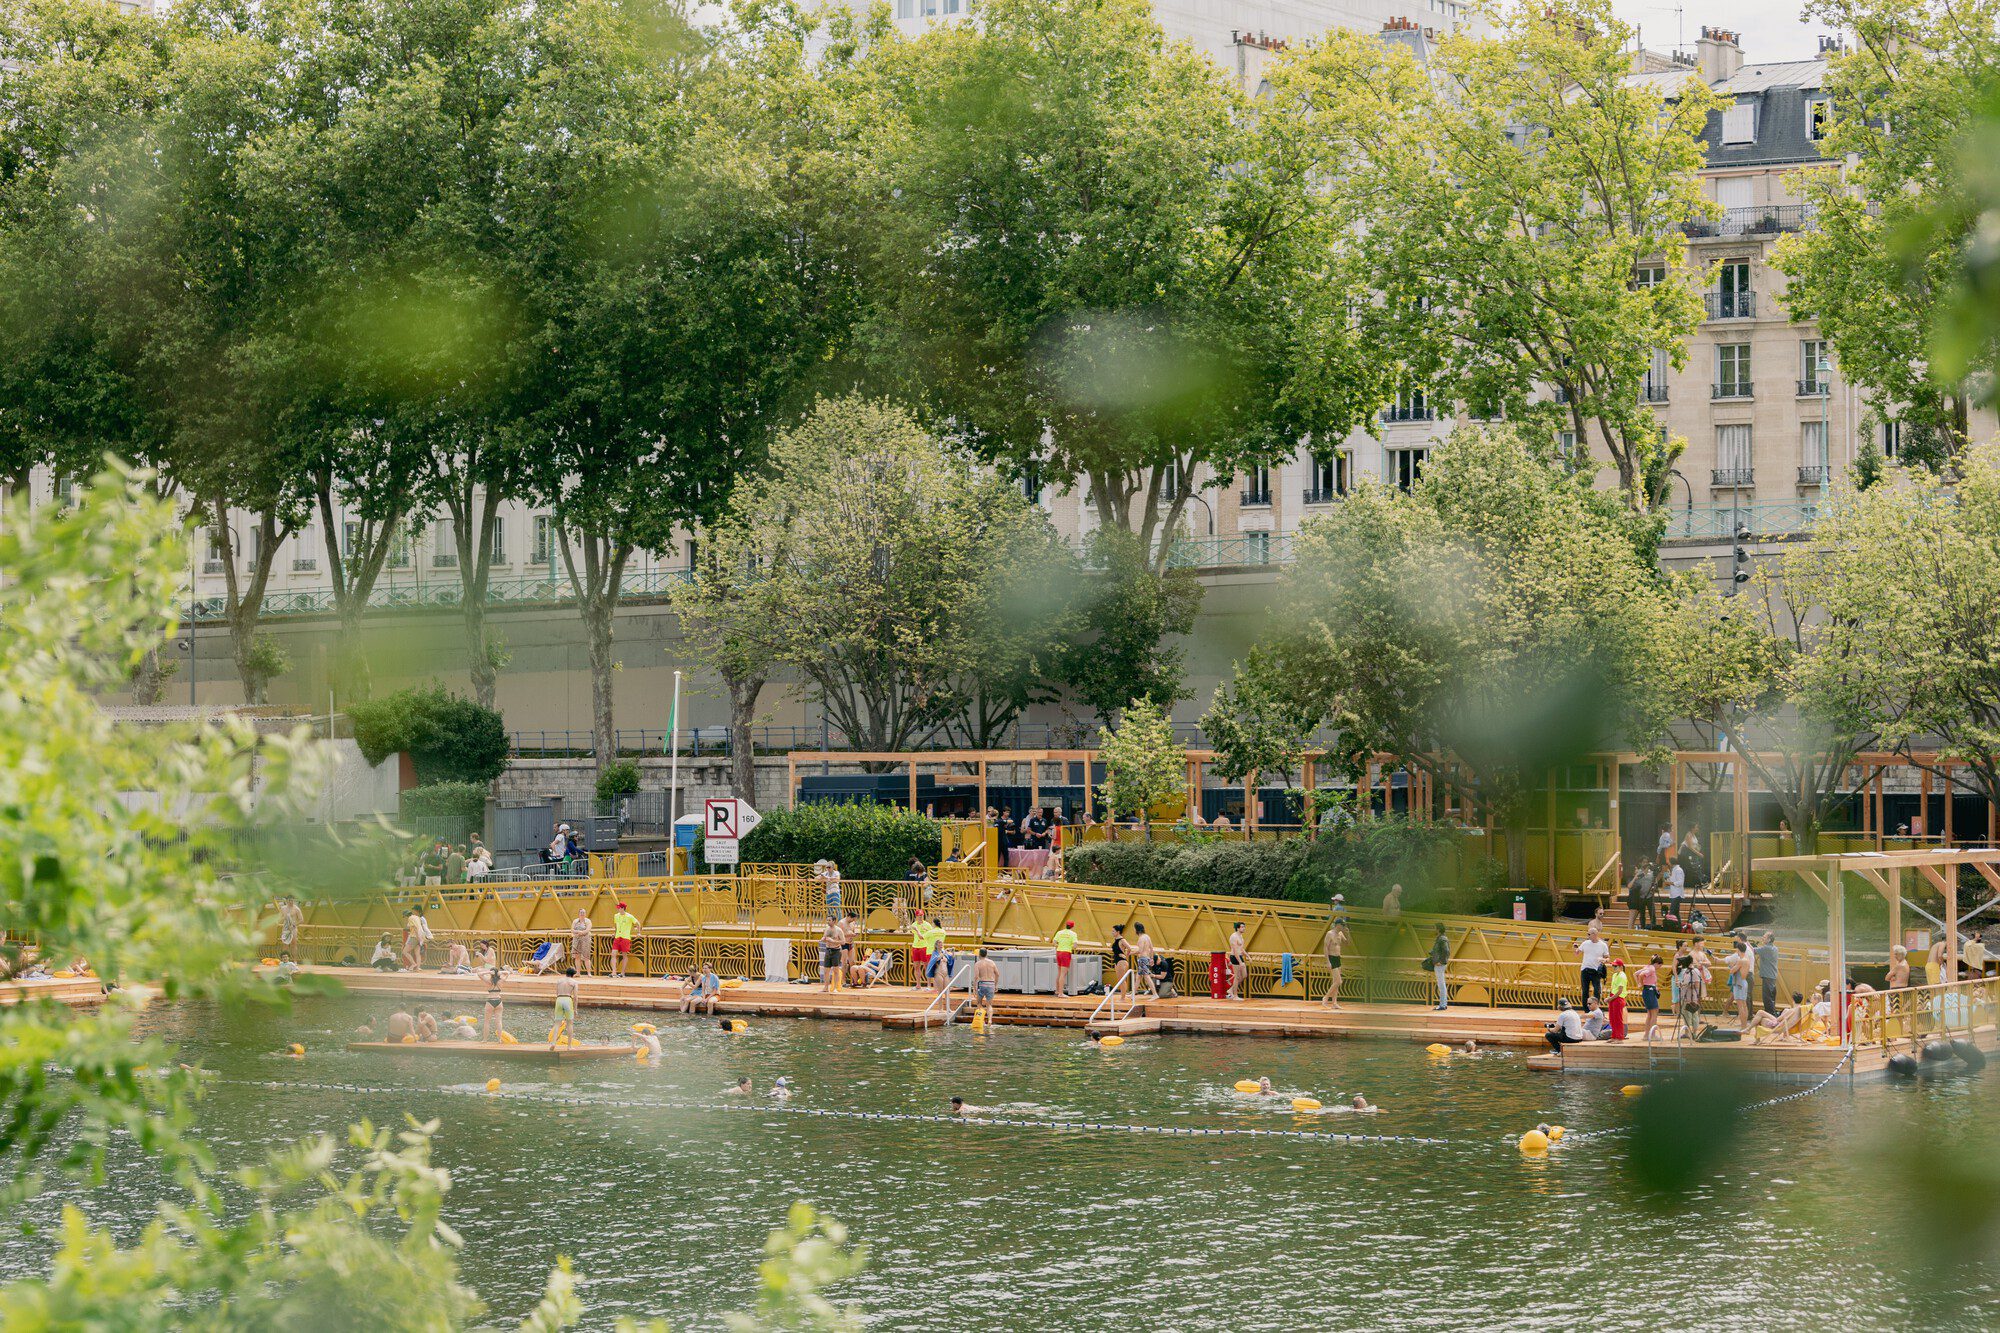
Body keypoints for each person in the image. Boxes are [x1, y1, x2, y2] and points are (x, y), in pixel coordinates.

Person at [1574, 923, 1610, 1005]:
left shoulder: (1602, 945)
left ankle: (1595, 1007)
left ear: (1595, 934)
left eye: (1589, 934)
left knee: (1597, 990)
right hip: (1585, 969)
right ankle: (1586, 1009)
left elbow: (1608, 958)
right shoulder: (1585, 943)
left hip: (1596, 970)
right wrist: (1575, 948)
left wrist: (1604, 960)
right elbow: (1577, 953)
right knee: (1585, 990)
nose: (1588, 935)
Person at [1321, 915, 1350, 1010]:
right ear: (1337, 925)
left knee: (1335, 982)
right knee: (1338, 981)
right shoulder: (1330, 934)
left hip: (1338, 958)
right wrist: (1328, 962)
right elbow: (1325, 947)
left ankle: (1334, 1003)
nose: (1343, 926)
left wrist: (1348, 934)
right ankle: (1325, 998)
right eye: (1342, 925)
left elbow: (1347, 944)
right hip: (1331, 958)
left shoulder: (1340, 934)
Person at [1726, 938, 1754, 1027]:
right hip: (1744, 982)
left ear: (1738, 950)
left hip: (1739, 983)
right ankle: (1744, 1025)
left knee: (1741, 1006)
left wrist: (1731, 966)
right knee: (1744, 1005)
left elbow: (1732, 971)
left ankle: (1743, 1026)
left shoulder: (1741, 960)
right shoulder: (1746, 959)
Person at [1625, 857, 1656, 931]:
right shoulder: (1632, 877)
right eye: (1635, 869)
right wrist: (1635, 877)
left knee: (1634, 919)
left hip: (1638, 899)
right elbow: (1629, 886)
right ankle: (1629, 934)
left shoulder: (1639, 875)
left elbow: (1644, 874)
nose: (1637, 870)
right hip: (1634, 900)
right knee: (1632, 919)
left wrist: (1650, 867)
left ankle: (1631, 933)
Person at [1754, 931, 1781, 1015]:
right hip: (1772, 976)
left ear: (1769, 939)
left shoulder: (1766, 948)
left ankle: (1770, 1017)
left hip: (1767, 977)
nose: (1762, 938)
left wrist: (1746, 942)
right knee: (1771, 998)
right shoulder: (1775, 948)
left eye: (1764, 937)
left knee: (1767, 999)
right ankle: (1772, 1015)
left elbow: (1753, 951)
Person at [1637, 954, 1662, 1042]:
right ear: (1657, 964)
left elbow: (1636, 973)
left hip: (1648, 990)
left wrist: (1640, 984)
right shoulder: (1651, 969)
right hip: (1650, 990)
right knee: (1654, 1012)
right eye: (1660, 965)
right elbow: (1641, 975)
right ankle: (1652, 1035)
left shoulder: (1647, 967)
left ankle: (1646, 1035)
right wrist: (1640, 984)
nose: (1659, 967)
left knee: (1650, 1014)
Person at [611, 901, 638, 979]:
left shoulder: (629, 916)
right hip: (617, 937)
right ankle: (614, 972)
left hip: (625, 937)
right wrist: (614, 932)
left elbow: (638, 923)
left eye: (619, 908)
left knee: (624, 955)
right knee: (613, 954)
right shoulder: (616, 916)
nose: (618, 909)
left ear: (623, 908)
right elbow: (616, 926)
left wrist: (638, 932)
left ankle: (622, 973)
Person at [1427, 924, 1451, 1010]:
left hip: (1440, 965)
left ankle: (1443, 1005)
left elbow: (1446, 951)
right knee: (1441, 984)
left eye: (1435, 928)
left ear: (1438, 929)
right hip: (1439, 964)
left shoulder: (1442, 939)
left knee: (1441, 984)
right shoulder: (1441, 938)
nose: (1434, 930)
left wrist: (1441, 961)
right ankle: (1443, 1004)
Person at [1052, 920, 1079, 998]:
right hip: (1066, 953)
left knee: (1059, 972)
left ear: (1066, 925)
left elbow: (1054, 942)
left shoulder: (1059, 932)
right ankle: (1061, 993)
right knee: (1063, 974)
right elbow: (1075, 946)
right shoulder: (1073, 934)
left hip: (1059, 952)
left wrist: (1060, 945)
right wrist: (1068, 947)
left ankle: (1057, 990)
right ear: (1073, 926)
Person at [553, 968, 579, 1046]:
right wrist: (575, 1009)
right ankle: (569, 1046)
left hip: (559, 999)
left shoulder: (559, 981)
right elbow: (575, 997)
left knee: (557, 1023)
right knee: (570, 1024)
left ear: (566, 973)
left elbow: (557, 993)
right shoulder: (574, 982)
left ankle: (553, 1043)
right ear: (573, 975)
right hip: (567, 999)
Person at [972, 949, 999, 1023]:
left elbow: (976, 977)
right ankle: (990, 1020)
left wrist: (974, 988)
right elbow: (997, 974)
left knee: (979, 1003)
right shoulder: (992, 962)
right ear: (986, 954)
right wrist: (995, 985)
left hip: (982, 984)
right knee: (989, 1005)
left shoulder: (977, 964)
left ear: (979, 954)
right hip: (991, 984)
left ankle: (982, 1020)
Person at [1133, 923, 1159, 998]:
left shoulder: (1141, 938)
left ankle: (1155, 994)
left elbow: (1140, 950)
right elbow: (1151, 948)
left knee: (1146, 976)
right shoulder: (1147, 936)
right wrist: (1151, 958)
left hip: (1142, 959)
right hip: (1146, 958)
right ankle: (1133, 994)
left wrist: (1131, 952)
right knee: (1138, 977)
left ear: (1137, 929)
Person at [818, 918, 845, 993]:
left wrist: (833, 941)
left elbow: (843, 942)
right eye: (827, 920)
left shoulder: (838, 930)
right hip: (828, 950)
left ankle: (836, 987)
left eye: (829, 920)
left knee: (836, 970)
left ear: (834, 921)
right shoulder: (826, 929)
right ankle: (826, 987)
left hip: (836, 950)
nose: (828, 922)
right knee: (826, 970)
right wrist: (823, 939)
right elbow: (824, 937)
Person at [1606, 959, 1630, 1041]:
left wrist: (1610, 998)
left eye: (1615, 966)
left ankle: (1619, 1037)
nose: (1614, 967)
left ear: (1620, 967)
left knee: (1618, 1019)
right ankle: (1614, 1036)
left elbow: (1620, 991)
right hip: (1613, 997)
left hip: (1618, 998)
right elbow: (1614, 988)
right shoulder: (1615, 975)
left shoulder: (1622, 976)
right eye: (1613, 966)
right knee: (1612, 1018)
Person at [1661, 856, 1687, 927]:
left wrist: (1670, 883)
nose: (1668, 863)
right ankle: (1679, 926)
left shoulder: (1678, 870)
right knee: (1676, 913)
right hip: (1674, 894)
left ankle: (1670, 927)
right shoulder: (1674, 870)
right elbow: (1672, 880)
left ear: (1672, 862)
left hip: (1677, 894)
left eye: (1669, 862)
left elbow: (1680, 882)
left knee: (1672, 912)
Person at [480, 969, 504, 1042]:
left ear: (491, 974)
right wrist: (501, 973)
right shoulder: (501, 981)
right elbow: (508, 973)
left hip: (490, 1001)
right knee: (499, 1021)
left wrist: (488, 972)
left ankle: (485, 1039)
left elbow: (479, 974)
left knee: (487, 1022)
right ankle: (499, 1039)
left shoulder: (488, 981)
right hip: (499, 1001)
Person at [1226, 922, 1248, 1001]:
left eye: (1244, 927)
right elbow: (1235, 950)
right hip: (1235, 957)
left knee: (1244, 975)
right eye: (1242, 927)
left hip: (1240, 956)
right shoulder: (1234, 936)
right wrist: (1240, 962)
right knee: (1237, 976)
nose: (1244, 928)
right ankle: (1235, 996)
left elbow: (1241, 949)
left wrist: (1248, 956)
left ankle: (1231, 990)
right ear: (1238, 928)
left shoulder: (1241, 936)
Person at [570, 909, 593, 976]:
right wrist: (578, 932)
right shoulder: (575, 921)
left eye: (583, 912)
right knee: (577, 956)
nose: (582, 914)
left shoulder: (588, 921)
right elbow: (572, 929)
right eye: (581, 912)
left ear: (585, 914)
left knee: (586, 956)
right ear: (578, 913)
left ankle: (589, 973)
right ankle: (578, 972)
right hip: (576, 940)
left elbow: (588, 929)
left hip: (585, 940)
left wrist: (582, 932)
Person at [1109, 924, 1130, 992]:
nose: (1112, 933)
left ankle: (1123, 997)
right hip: (1117, 960)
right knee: (1119, 980)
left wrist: (1125, 956)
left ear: (1118, 932)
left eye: (1113, 931)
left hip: (1121, 961)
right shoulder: (1116, 940)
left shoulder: (1122, 940)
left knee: (1122, 980)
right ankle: (1123, 996)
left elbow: (1129, 948)